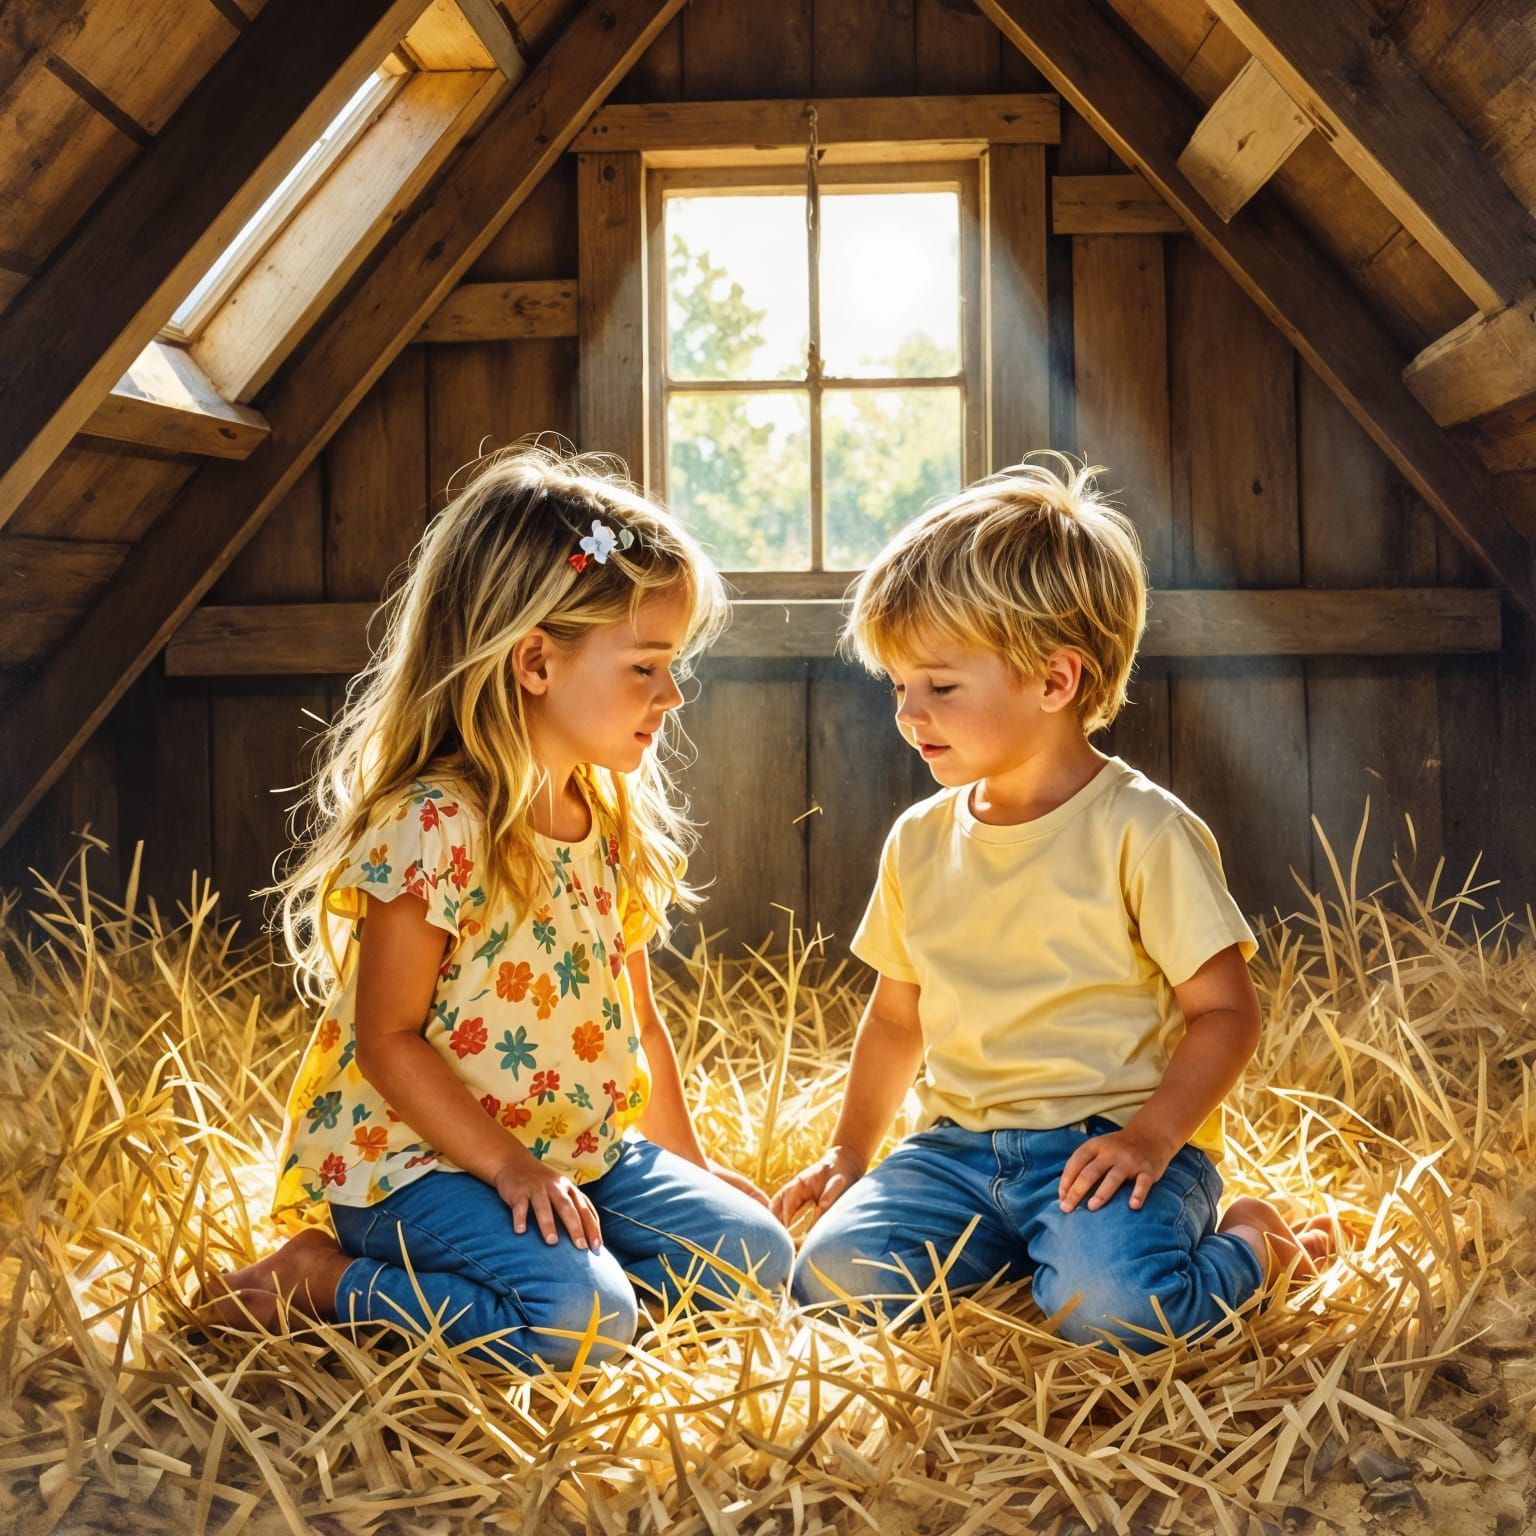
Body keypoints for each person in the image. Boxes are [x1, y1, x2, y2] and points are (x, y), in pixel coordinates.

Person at [204, 445, 793, 1370]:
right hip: (423, 1165)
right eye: (645, 666)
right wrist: (510, 1168)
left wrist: (693, 1167)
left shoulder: (604, 821)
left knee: (759, 1255)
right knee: (582, 1322)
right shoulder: (437, 824)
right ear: (534, 662)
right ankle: (323, 1280)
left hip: (578, 1152)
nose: (672, 695)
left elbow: (637, 1017)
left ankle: (561, 1284)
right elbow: (387, 1039)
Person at [772, 454, 1331, 1353]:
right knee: (832, 1283)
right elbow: (896, 1019)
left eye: (941, 687)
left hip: (1109, 1148)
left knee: (1120, 1312)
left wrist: (1153, 1140)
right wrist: (849, 1153)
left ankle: (1257, 1247)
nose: (909, 715)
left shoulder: (1143, 832)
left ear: (1055, 681)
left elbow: (1226, 1013)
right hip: (957, 1154)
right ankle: (1020, 1254)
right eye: (899, 687)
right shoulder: (919, 837)